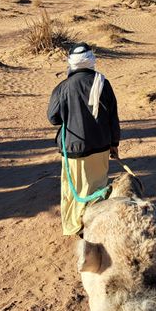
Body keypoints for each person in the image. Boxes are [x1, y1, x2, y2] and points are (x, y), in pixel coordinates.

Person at [48, 43, 120, 236]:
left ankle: (77, 225)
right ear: (91, 60)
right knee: (97, 187)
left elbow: (53, 117)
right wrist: (114, 144)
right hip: (102, 146)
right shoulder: (103, 82)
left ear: (71, 63)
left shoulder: (63, 87)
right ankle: (96, 224)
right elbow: (113, 116)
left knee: (75, 191)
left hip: (74, 147)